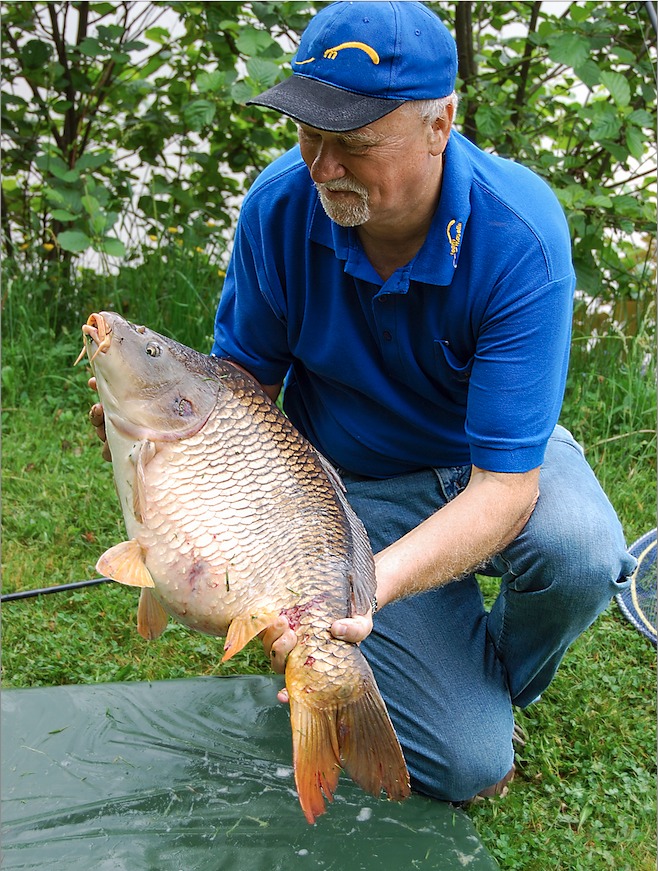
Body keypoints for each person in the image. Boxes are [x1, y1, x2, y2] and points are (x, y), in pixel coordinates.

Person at [91, 1, 635, 803]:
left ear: (440, 125)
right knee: (464, 765)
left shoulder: (520, 236)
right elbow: (240, 396)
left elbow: (507, 487)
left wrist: (362, 588)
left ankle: (501, 681)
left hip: (484, 465)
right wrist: (176, 476)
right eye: (310, 134)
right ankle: (461, 702)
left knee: (582, 550)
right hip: (342, 490)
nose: (321, 165)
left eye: (353, 143)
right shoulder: (279, 208)